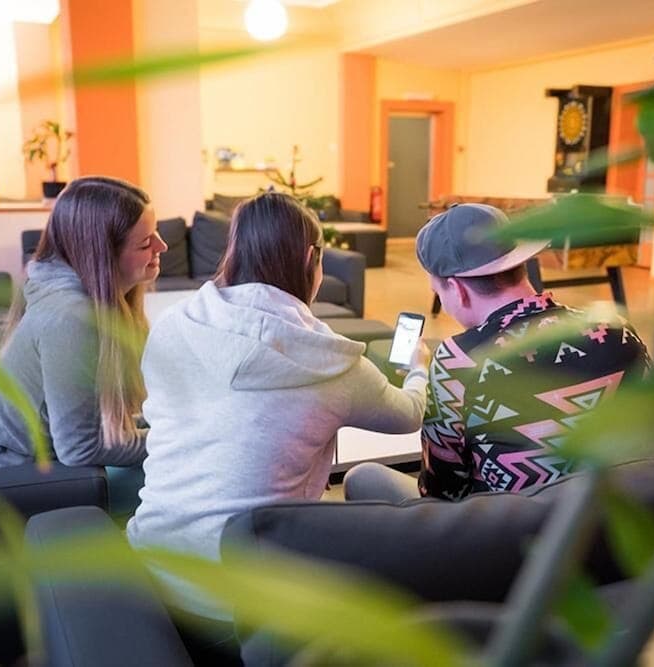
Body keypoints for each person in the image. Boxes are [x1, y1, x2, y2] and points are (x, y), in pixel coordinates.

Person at [126, 191, 429, 629]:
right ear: (310, 259)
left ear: (235, 250)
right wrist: (418, 368)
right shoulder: (334, 362)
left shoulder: (172, 324)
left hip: (150, 566)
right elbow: (408, 415)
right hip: (245, 605)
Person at [344, 203, 650, 502]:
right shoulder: (616, 328)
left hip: (508, 527)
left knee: (365, 477)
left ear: (457, 290)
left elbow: (441, 489)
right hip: (618, 517)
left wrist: (421, 371)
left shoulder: (459, 361)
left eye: (439, 293)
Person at [0, 176, 167, 473]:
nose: (162, 246)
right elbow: (81, 448)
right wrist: (182, 439)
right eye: (146, 242)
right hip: (12, 480)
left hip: (42, 465)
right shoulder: (71, 317)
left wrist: (174, 423)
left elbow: (95, 424)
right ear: (103, 253)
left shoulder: (80, 302)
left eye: (156, 233)